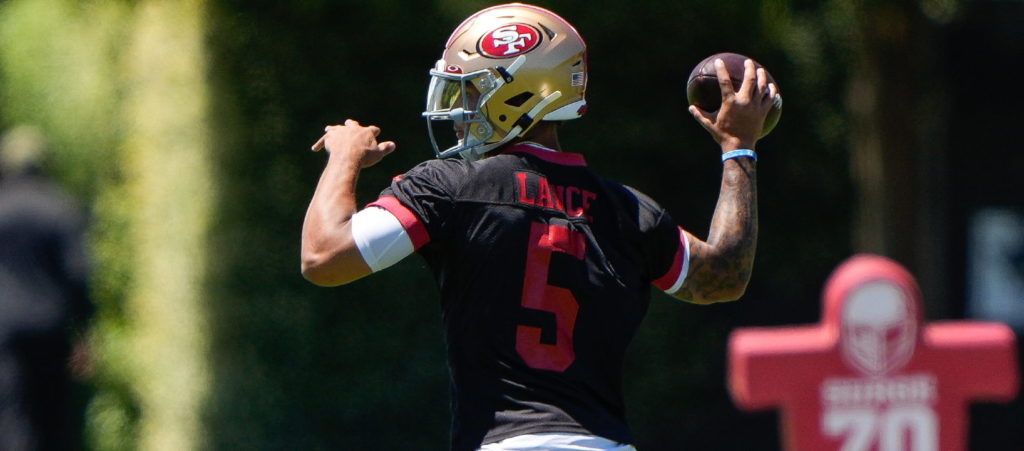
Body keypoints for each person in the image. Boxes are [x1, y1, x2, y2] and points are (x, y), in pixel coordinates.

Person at [301, 4, 778, 450]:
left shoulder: (451, 186)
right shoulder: (629, 210)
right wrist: (739, 147)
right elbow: (724, 277)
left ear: (519, 93)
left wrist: (344, 157)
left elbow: (324, 256)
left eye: (471, 90)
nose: (458, 109)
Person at [0, 125, 93, 450]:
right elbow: (78, 274)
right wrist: (84, 334)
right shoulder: (60, 208)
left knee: (11, 419)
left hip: (6, 334)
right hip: (50, 332)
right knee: (52, 420)